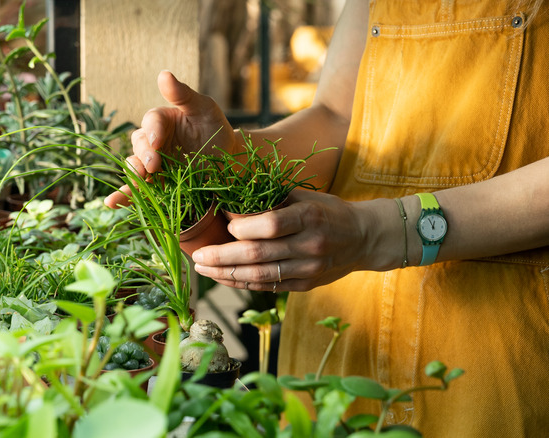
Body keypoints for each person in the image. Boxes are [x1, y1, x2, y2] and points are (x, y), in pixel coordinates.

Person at [105, 0, 549, 436]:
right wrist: (234, 155)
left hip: (495, 342)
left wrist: (379, 232)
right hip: (342, 325)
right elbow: (339, 117)